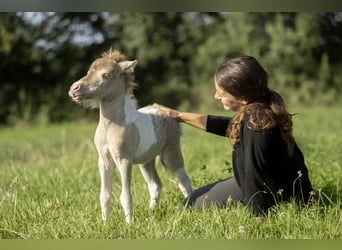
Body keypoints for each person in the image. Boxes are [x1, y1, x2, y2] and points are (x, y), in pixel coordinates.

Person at [154, 55, 313, 218]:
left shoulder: (255, 125)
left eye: (221, 93)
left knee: (191, 204)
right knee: (192, 199)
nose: (216, 96)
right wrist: (178, 115)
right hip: (276, 181)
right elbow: (227, 125)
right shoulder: (259, 108)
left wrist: (259, 219)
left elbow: (254, 176)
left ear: (242, 97)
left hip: (273, 188)